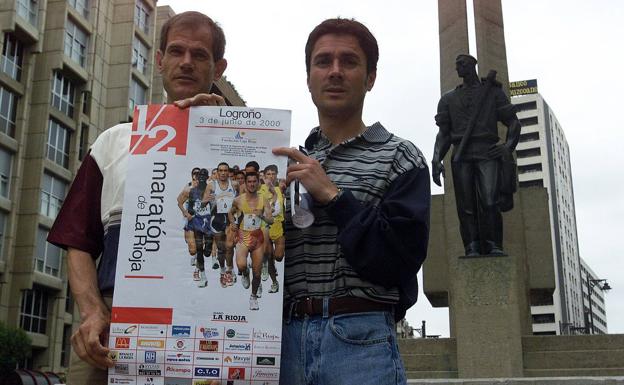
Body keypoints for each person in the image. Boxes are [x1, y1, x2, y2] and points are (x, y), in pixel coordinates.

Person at [47, 11, 228, 385]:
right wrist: (93, 312)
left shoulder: (240, 145)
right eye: (176, 51)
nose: (186, 62)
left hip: (213, 321)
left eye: (199, 54)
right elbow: (78, 240)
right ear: (159, 59)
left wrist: (225, 130)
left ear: (219, 67)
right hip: (117, 319)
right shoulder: (113, 141)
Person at [273, 18, 430, 385]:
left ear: (370, 78)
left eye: (350, 61)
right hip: (280, 339)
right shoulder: (281, 165)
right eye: (323, 61)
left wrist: (332, 196)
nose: (335, 72)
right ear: (309, 76)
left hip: (360, 337)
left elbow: (401, 260)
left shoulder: (401, 157)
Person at [431, 54, 520, 256]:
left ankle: (493, 244)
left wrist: (508, 146)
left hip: (487, 151)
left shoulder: (492, 93)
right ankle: (471, 246)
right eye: (456, 65)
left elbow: (513, 122)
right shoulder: (448, 99)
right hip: (461, 154)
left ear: (472, 66)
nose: (458, 69)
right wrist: (436, 159)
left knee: (489, 201)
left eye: (461, 64)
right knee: (466, 206)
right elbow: (444, 133)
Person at [228, 172, 273, 310]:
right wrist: (232, 223)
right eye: (249, 182)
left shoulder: (263, 199)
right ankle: (245, 273)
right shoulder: (238, 200)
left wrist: (263, 217)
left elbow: (271, 220)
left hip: (257, 237)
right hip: (243, 236)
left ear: (258, 183)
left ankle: (253, 296)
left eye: (254, 181)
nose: (252, 184)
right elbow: (230, 213)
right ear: (245, 183)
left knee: (258, 273)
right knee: (241, 265)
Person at [210, 161, 238, 287]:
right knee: (221, 249)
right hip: (216, 219)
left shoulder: (235, 184)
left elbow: (241, 201)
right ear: (217, 172)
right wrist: (210, 201)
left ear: (228, 172)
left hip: (230, 219)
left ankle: (230, 270)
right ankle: (222, 270)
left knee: (229, 246)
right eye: (220, 170)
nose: (223, 173)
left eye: (225, 170)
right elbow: (204, 202)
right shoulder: (211, 185)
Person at [261, 164, 285, 293]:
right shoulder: (260, 189)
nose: (271, 176)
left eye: (273, 174)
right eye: (268, 174)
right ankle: (274, 282)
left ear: (276, 175)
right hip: (264, 226)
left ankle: (267, 261)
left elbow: (278, 210)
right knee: (268, 256)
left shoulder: (280, 189)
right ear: (264, 176)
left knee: (279, 257)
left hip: (278, 225)